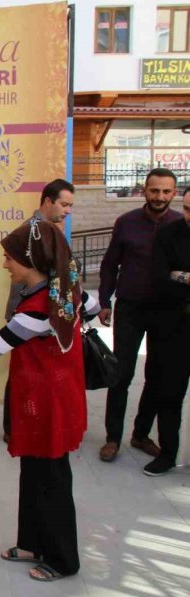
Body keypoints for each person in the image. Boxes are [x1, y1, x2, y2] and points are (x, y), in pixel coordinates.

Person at [0, 220, 100, 582]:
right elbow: (93, 308)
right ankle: (32, 542)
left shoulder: (36, 310)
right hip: (44, 399)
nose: (5, 265)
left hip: (50, 405)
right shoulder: (66, 291)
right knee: (34, 474)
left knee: (52, 481)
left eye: (9, 258)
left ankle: (64, 560)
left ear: (30, 261)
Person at [97, 168, 183, 463]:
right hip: (130, 308)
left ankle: (141, 434)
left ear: (175, 193)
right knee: (120, 374)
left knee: (157, 376)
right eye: (154, 190)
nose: (160, 197)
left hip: (166, 312)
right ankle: (112, 438)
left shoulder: (179, 225)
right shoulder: (127, 223)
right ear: (144, 190)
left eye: (166, 192)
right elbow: (109, 264)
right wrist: (104, 300)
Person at [2, 179, 75, 442]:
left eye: (70, 206)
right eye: (64, 204)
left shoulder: (50, 230)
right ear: (47, 201)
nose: (68, 211)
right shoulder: (30, 232)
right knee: (22, 375)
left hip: (41, 315)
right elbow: (27, 281)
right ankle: (14, 428)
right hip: (30, 315)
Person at [142, 188, 190, 475]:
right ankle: (167, 454)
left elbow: (173, 276)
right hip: (175, 328)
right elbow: (160, 279)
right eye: (186, 208)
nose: (189, 215)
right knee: (169, 394)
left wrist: (181, 274)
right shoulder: (169, 234)